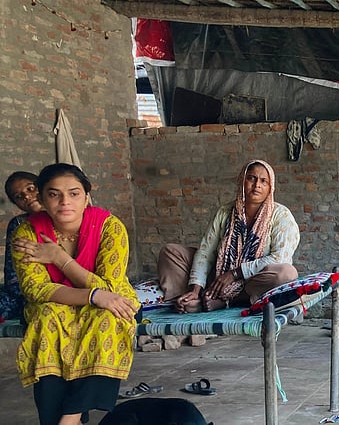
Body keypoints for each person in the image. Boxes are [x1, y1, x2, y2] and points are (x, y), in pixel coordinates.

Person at [11, 163, 139, 425]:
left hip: (108, 299)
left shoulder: (109, 227)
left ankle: (68, 419)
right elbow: (36, 289)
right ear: (43, 199)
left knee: (108, 318)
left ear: (87, 197)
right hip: (55, 303)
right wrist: (92, 296)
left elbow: (110, 288)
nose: (64, 202)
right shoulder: (27, 233)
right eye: (54, 194)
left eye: (74, 193)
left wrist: (59, 258)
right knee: (47, 321)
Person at [158, 159, 300, 313]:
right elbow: (206, 252)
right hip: (218, 276)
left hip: (252, 283)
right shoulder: (225, 212)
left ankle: (228, 301)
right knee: (170, 252)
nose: (257, 185)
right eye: (251, 178)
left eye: (263, 181)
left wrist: (235, 274)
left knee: (286, 273)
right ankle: (189, 300)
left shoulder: (281, 216)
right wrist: (195, 289)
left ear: (270, 187)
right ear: (242, 181)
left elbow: (279, 258)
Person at [1, 171, 43, 321]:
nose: (26, 196)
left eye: (31, 189)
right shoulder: (19, 225)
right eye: (19, 196)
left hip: (62, 287)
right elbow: (12, 273)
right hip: (26, 288)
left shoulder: (66, 216)